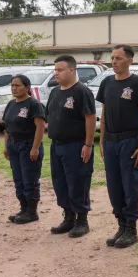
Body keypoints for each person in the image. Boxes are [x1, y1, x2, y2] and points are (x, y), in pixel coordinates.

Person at [98, 44, 138, 249]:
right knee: (114, 186)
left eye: (118, 58)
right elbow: (103, 115)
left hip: (129, 141)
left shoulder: (137, 83)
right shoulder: (107, 83)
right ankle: (121, 224)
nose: (114, 61)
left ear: (130, 60)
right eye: (112, 58)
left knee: (130, 184)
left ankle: (131, 229)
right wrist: (101, 141)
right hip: (110, 141)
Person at [47, 55, 97, 238]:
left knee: (78, 181)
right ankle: (68, 218)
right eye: (55, 70)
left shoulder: (81, 91)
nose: (56, 73)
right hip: (57, 145)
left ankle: (82, 220)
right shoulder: (54, 92)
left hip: (76, 145)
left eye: (60, 70)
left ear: (71, 70)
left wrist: (88, 144)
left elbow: (90, 118)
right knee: (60, 182)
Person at [3, 75, 47, 224]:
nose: (14, 88)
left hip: (28, 145)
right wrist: (6, 146)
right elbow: (7, 128)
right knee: (18, 179)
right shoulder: (10, 104)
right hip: (13, 145)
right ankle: (23, 208)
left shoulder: (33, 104)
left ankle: (31, 211)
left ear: (27, 87)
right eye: (12, 85)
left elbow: (40, 127)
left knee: (30, 179)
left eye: (18, 85)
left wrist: (35, 148)